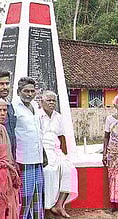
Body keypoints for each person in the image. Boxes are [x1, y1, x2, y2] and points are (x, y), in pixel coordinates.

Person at [39, 90, 78, 218]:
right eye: (48, 100)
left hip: (56, 150)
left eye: (53, 100)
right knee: (49, 171)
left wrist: (65, 155)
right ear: (41, 102)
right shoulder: (37, 116)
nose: (51, 103)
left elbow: (61, 137)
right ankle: (47, 207)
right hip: (43, 150)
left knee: (70, 170)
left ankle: (59, 205)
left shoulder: (58, 117)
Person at [13, 77, 45, 219]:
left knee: (38, 196)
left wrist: (43, 154)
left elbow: (39, 133)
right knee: (25, 197)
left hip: (37, 159)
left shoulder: (36, 108)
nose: (30, 94)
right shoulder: (13, 107)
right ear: (19, 91)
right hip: (23, 158)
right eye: (26, 91)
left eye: (32, 91)